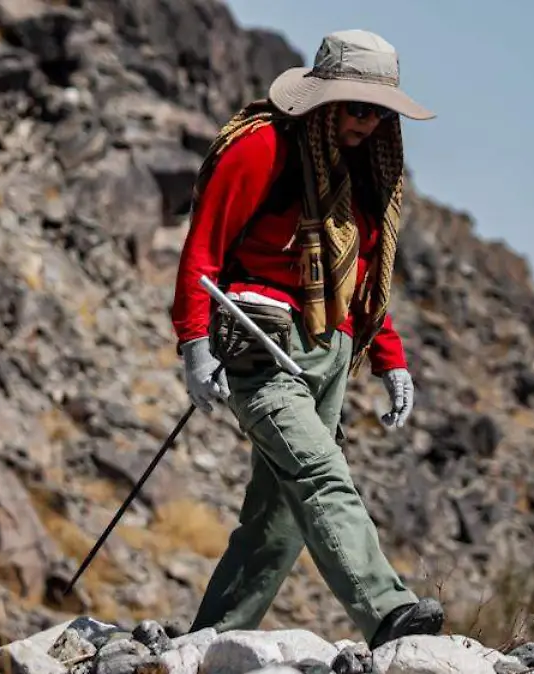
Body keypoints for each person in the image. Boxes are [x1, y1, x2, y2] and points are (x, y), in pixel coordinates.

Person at [171, 30, 443, 649]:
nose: (370, 121)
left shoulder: (368, 164)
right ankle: (388, 612)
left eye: (379, 110)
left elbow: (365, 271)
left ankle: (209, 645)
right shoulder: (261, 147)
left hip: (332, 353)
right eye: (358, 106)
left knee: (276, 522)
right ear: (324, 99)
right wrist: (194, 343)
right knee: (321, 475)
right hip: (260, 344)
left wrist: (389, 359)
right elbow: (204, 249)